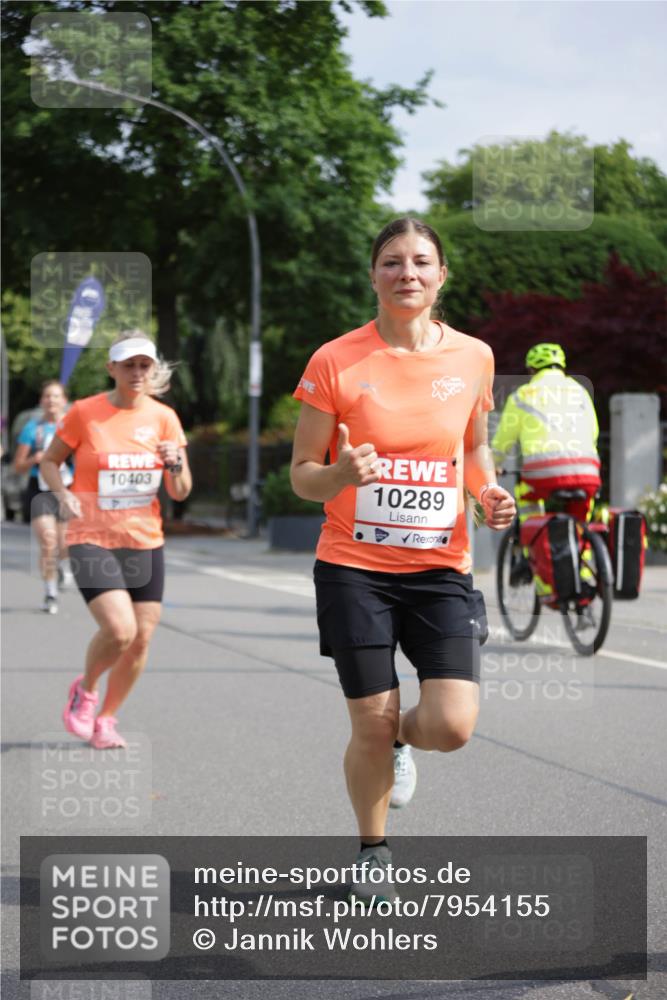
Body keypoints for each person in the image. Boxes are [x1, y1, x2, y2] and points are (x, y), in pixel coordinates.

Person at [291, 217, 515, 904]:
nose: (406, 273)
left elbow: (473, 448)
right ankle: (373, 850)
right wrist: (339, 476)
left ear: (441, 275)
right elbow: (302, 473)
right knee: (371, 719)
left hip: (440, 569)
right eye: (392, 261)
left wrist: (487, 491)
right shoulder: (335, 359)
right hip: (353, 569)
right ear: (373, 275)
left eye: (420, 261)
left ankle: (401, 742)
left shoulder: (473, 357)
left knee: (450, 726)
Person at [40, 331, 192, 750]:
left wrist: (174, 463)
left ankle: (106, 719)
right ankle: (86, 691)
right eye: (128, 365)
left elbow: (180, 491)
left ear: (153, 369)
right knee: (120, 630)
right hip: (91, 535)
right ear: (112, 368)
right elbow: (50, 461)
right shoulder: (84, 412)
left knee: (141, 640)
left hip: (144, 540)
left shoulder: (164, 418)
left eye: (145, 365)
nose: (137, 372)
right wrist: (62, 493)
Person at [491, 343, 601, 587]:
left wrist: (493, 466)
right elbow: (593, 431)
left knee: (526, 498)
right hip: (587, 469)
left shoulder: (522, 395)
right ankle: (583, 569)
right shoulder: (580, 391)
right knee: (581, 516)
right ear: (562, 366)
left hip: (543, 472)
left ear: (531, 369)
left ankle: (536, 559)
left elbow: (502, 442)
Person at [13, 381, 73, 614]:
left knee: (65, 543)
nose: (51, 400)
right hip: (40, 490)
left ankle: (64, 566)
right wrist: (34, 459)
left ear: (64, 401)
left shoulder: (73, 426)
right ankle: (50, 593)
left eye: (56, 396)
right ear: (41, 401)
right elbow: (18, 466)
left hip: (67, 489)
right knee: (48, 542)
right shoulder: (33, 429)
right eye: (47, 396)